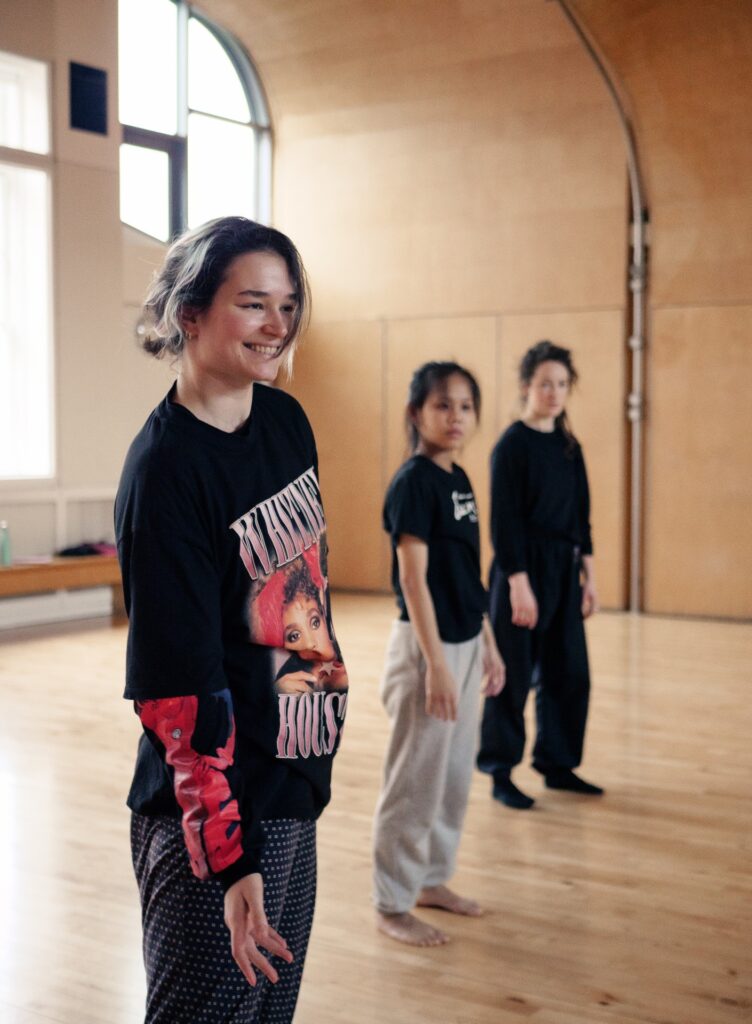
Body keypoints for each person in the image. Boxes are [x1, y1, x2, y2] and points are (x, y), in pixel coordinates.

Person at [115, 216, 349, 1024]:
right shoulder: (166, 473)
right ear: (190, 313)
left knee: (268, 1015)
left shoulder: (286, 423)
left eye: (287, 305)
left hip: (290, 783)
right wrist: (229, 856)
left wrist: (316, 742)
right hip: (213, 818)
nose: (276, 325)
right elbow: (178, 692)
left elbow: (303, 594)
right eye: (253, 303)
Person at [372, 361, 505, 947]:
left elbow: (466, 576)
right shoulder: (413, 483)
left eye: (466, 406)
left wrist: (488, 644)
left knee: (452, 776)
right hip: (427, 650)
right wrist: (439, 665)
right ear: (416, 413)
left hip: (466, 641)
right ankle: (391, 902)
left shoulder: (461, 480)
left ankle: (429, 880)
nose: (456, 417)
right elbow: (415, 581)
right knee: (415, 780)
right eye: (442, 405)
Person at [477, 340, 603, 811]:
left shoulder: (570, 447)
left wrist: (589, 576)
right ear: (528, 386)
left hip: (563, 572)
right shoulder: (512, 445)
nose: (554, 392)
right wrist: (518, 581)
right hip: (520, 571)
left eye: (562, 384)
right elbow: (504, 522)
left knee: (570, 672)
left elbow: (582, 518)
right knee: (508, 676)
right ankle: (500, 771)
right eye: (545, 383)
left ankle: (557, 763)